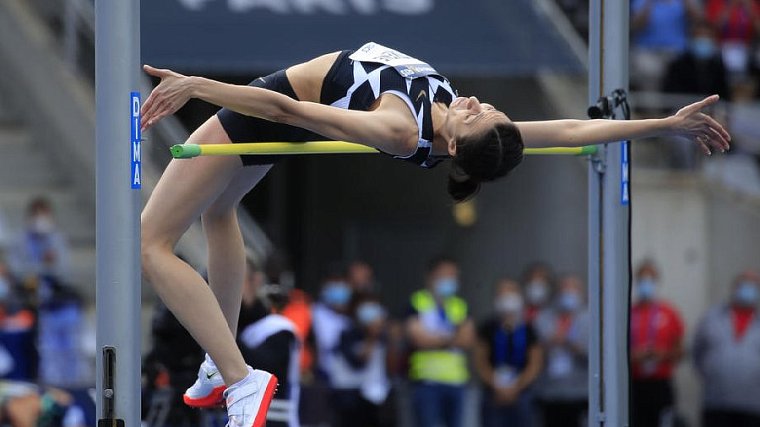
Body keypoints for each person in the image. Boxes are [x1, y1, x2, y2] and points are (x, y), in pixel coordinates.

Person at [139, 41, 730, 425]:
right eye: (489, 108)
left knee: (152, 242)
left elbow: (289, 112)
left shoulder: (399, 129)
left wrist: (198, 86)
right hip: (286, 104)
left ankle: (242, 379)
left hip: (272, 104)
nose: (475, 101)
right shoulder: (469, 129)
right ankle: (222, 360)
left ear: (453, 145)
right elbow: (573, 127)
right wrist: (664, 124)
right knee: (219, 213)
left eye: (475, 114)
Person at [405, 256, 474, 427]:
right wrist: (452, 337)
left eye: (453, 276)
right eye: (444, 275)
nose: (449, 280)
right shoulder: (417, 302)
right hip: (427, 381)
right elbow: (418, 339)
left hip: (455, 381)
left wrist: (435, 338)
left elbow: (467, 340)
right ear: (430, 277)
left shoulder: (460, 305)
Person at [693, 270, 760, 427]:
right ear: (734, 288)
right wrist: (712, 372)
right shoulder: (711, 318)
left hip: (753, 406)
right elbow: (697, 351)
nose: (747, 290)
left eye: (753, 286)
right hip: (716, 403)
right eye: (744, 285)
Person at [474, 279, 542, 427]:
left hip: (522, 393)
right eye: (502, 294)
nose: (507, 298)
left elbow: (535, 363)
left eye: (510, 292)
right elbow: (480, 361)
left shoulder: (529, 329)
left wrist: (516, 388)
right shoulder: (488, 327)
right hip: (493, 393)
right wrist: (497, 386)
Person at [630, 261, 685, 427]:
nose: (646, 284)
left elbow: (680, 351)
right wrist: (632, 356)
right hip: (634, 383)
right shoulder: (628, 313)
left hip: (660, 384)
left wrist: (663, 354)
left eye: (650, 279)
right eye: (642, 279)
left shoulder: (669, 313)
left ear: (656, 282)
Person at [533, 275, 588, 427]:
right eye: (564, 288)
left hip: (579, 393)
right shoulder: (544, 317)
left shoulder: (589, 318)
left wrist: (573, 345)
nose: (568, 293)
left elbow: (596, 358)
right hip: (550, 393)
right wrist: (550, 343)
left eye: (572, 288)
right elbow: (534, 353)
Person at [331, 295, 392, 427]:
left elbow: (391, 365)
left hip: (374, 396)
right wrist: (371, 336)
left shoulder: (383, 335)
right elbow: (357, 363)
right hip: (349, 396)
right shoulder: (347, 334)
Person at [630, 0, 703, 91]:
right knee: (647, 70)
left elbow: (699, 21)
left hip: (678, 52)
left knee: (683, 74)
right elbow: (636, 25)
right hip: (649, 51)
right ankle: (651, 104)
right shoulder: (641, 2)